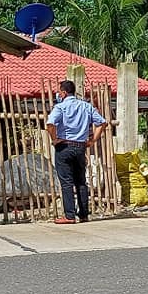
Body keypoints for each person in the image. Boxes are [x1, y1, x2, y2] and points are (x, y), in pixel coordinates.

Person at [46, 80, 108, 225]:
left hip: (64, 146)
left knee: (66, 182)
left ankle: (69, 215)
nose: (58, 94)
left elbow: (50, 125)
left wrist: (55, 139)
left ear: (64, 92)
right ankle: (84, 214)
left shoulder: (60, 107)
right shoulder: (86, 106)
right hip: (80, 147)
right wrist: (93, 140)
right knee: (81, 181)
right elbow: (102, 123)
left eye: (59, 92)